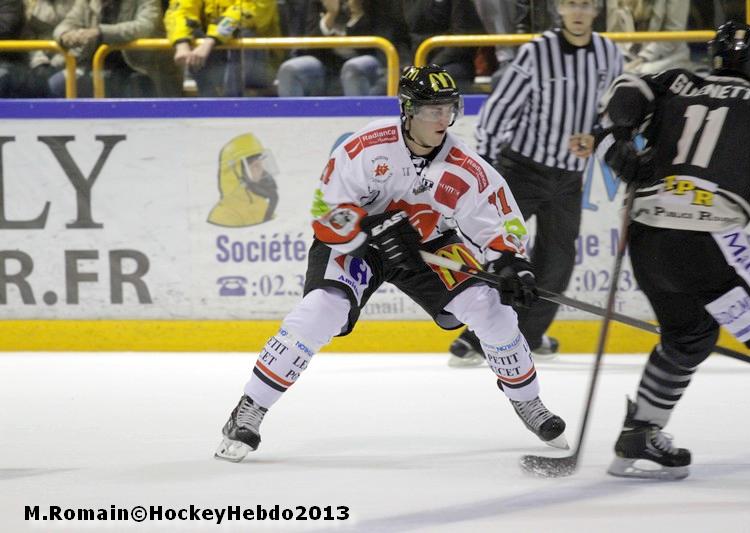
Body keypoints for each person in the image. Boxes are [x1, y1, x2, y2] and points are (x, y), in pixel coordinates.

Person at [214, 64, 569, 462]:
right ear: (408, 110)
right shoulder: (366, 148)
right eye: (432, 110)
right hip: (359, 244)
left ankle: (528, 401)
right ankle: (249, 408)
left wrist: (510, 262)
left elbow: (498, 220)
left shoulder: (465, 167)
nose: (442, 119)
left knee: (491, 308)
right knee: (320, 310)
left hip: (427, 246)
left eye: (448, 109)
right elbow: (324, 210)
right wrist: (370, 229)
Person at [596, 21, 750, 480]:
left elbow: (624, 90)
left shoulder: (675, 82)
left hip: (647, 240)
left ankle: (641, 432)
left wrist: (621, 141)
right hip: (710, 240)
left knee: (689, 336)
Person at [448, 0, 624, 367]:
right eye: (571, 4)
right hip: (521, 171)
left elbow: (611, 112)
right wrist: (487, 170)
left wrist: (595, 136)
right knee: (500, 253)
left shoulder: (609, 54)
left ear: (596, 9)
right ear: (560, 8)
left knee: (558, 262)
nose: (578, 12)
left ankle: (528, 335)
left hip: (569, 178)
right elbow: (499, 109)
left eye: (585, 4)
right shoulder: (537, 52)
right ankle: (476, 336)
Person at [52, 0, 182, 98]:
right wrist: (64, 35)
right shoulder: (87, 2)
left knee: (136, 87)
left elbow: (145, 26)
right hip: (95, 67)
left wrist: (100, 32)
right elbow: (67, 23)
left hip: (141, 68)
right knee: (56, 85)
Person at [164, 0, 282, 97]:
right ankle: (208, 105)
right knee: (194, 35)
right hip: (213, 54)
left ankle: (237, 104)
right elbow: (180, 10)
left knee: (244, 33)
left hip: (259, 60)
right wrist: (181, 43)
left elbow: (246, 12)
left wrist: (210, 41)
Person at [208, 133, 280, 227]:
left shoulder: (261, 204)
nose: (262, 171)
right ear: (236, 172)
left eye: (261, 165)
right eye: (256, 166)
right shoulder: (224, 215)